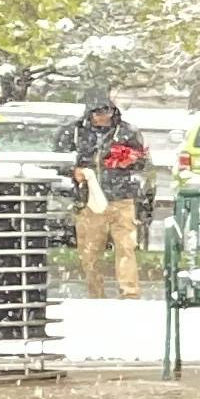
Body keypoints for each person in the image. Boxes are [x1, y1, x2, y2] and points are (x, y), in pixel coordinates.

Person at [65, 92, 154, 298]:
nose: (101, 117)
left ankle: (129, 292)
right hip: (88, 200)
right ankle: (95, 293)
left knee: (126, 247)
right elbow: (58, 160)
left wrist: (129, 160)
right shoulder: (75, 132)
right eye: (96, 112)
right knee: (89, 252)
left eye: (105, 111)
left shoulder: (127, 132)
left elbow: (143, 162)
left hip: (122, 198)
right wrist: (73, 171)